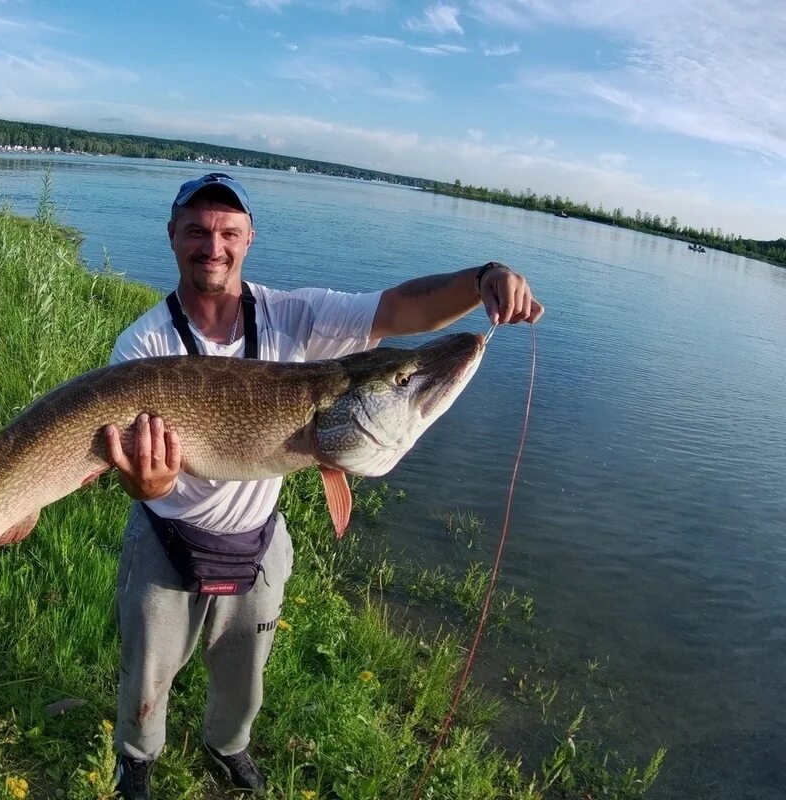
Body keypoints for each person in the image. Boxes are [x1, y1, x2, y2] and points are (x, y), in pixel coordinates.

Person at [104, 172, 543, 799]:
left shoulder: (293, 315)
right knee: (146, 674)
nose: (213, 245)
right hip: (166, 535)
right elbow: (142, 479)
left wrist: (482, 280)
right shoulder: (143, 343)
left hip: (256, 541)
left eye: (228, 232)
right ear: (173, 236)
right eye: (197, 231)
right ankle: (137, 760)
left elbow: (398, 310)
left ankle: (227, 746)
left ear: (249, 239)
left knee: (244, 674)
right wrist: (147, 484)